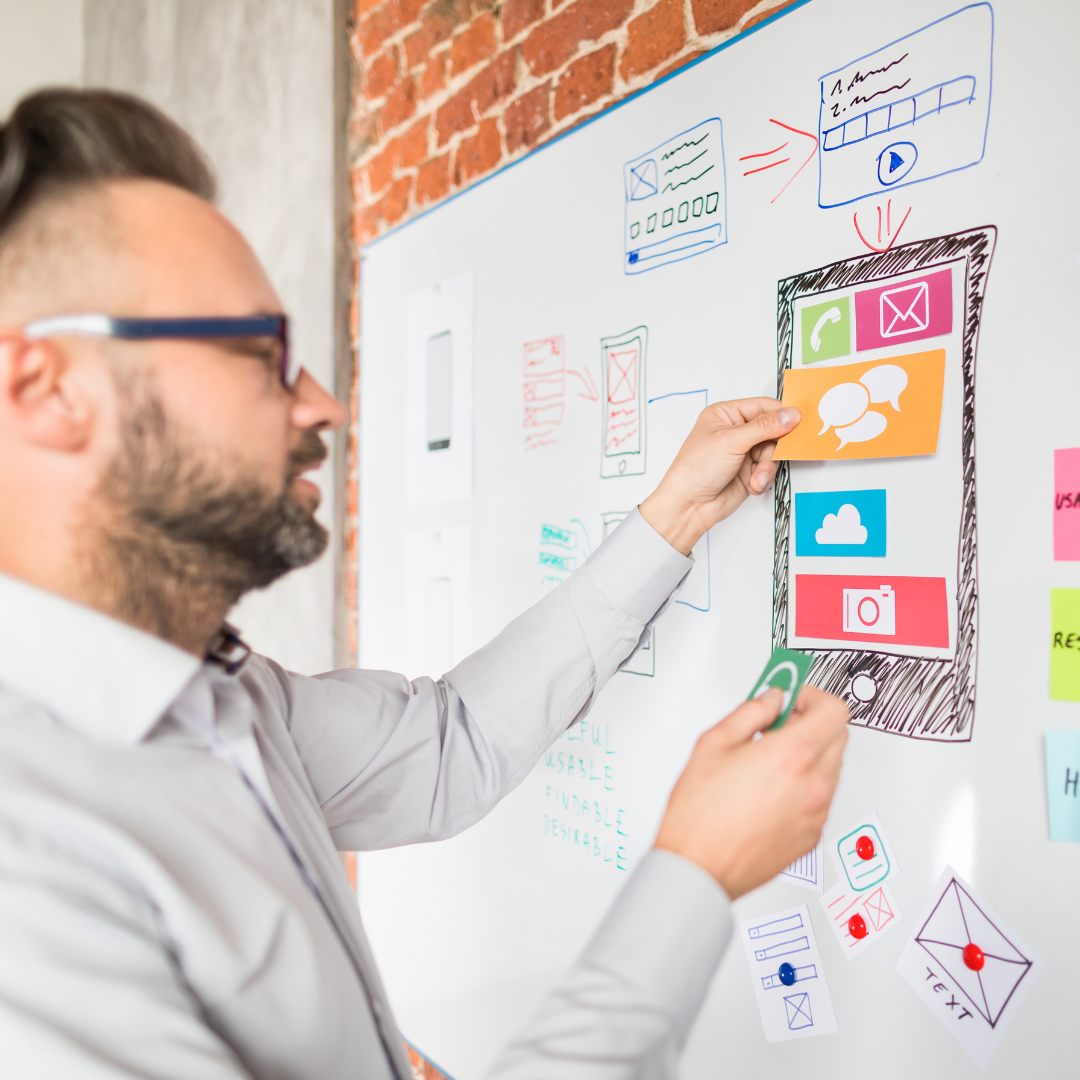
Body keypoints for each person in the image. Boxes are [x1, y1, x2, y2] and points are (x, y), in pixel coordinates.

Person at [0, 88, 848, 1079]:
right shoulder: (27, 876)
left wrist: (673, 519)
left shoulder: (223, 698)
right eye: (261, 354)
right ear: (46, 393)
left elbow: (452, 744)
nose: (321, 403)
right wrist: (692, 879)